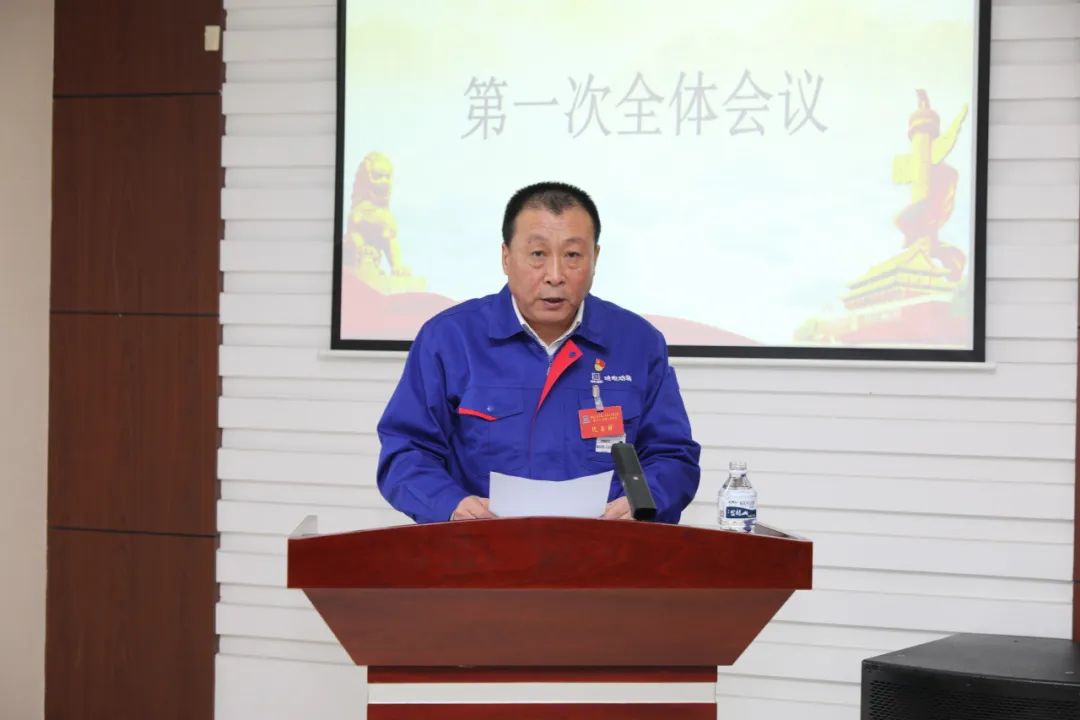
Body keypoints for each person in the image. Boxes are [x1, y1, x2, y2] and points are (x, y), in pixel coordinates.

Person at [376, 181, 701, 524]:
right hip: (480, 547)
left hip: (605, 548)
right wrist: (450, 504)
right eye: (537, 254)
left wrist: (644, 501)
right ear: (506, 257)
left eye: (572, 255)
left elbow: (673, 456)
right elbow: (405, 452)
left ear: (595, 258)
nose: (555, 275)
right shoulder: (449, 340)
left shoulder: (638, 342)